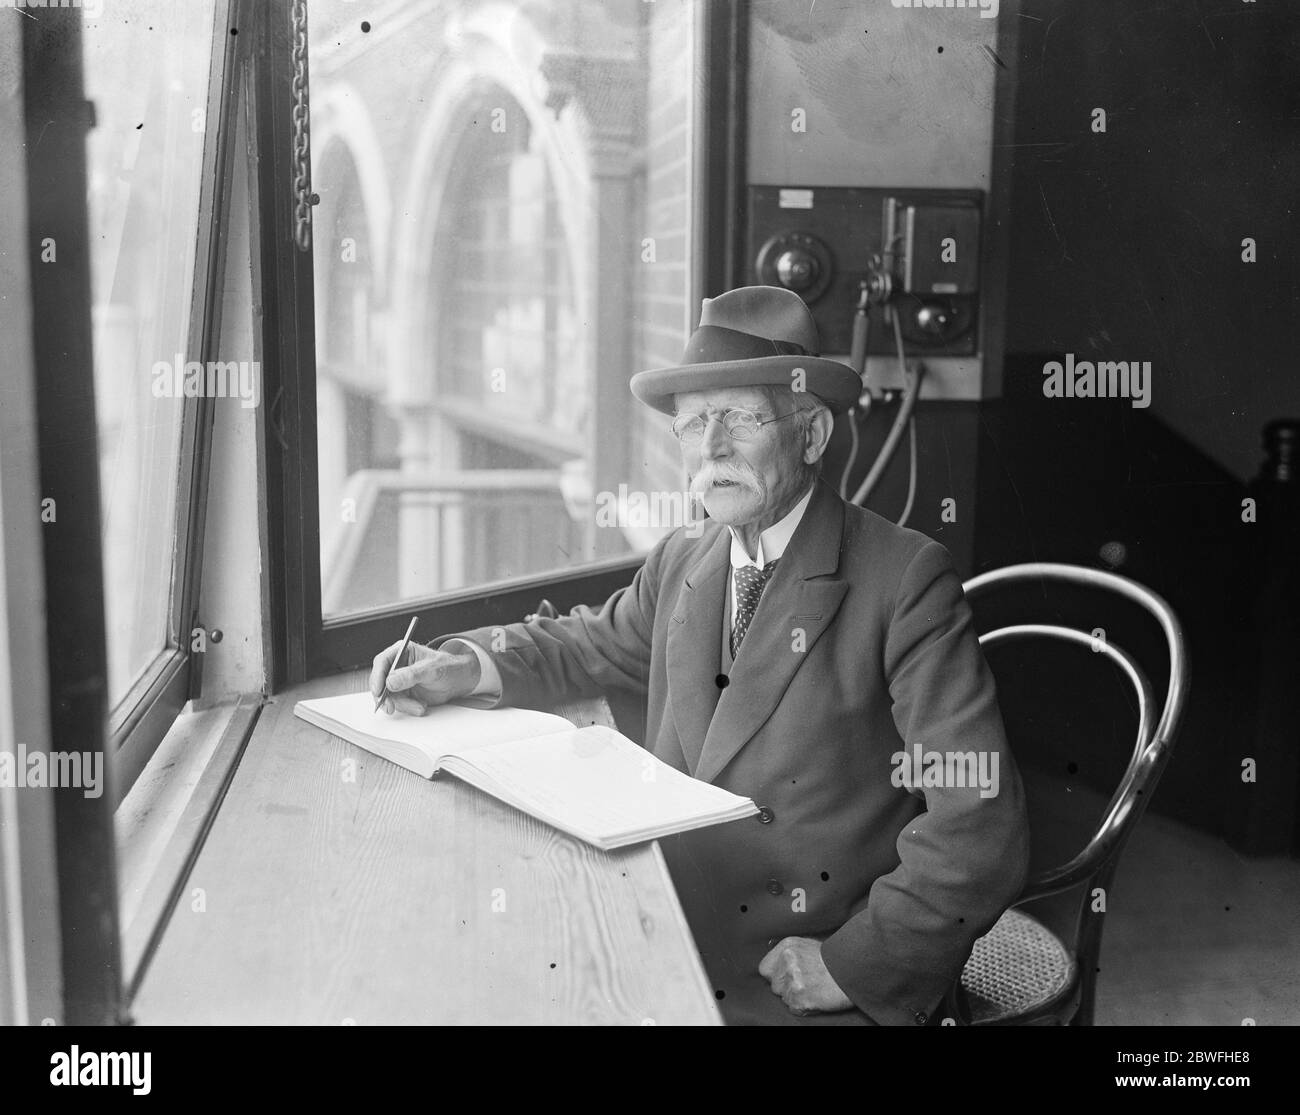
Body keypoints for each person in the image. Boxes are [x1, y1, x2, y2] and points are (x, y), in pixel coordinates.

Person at [370, 285, 1031, 1026]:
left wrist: (855, 961)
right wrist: (470, 662)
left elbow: (980, 825)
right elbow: (588, 642)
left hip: (804, 966)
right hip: (671, 920)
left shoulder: (905, 578)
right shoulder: (685, 556)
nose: (710, 449)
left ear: (810, 435)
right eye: (691, 426)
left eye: (740, 419)